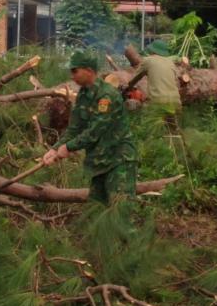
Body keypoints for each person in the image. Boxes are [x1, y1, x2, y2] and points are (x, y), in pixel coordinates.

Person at [42, 50, 137, 204]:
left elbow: (95, 131)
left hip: (118, 161)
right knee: (96, 210)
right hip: (99, 163)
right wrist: (55, 148)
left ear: (89, 70)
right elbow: (74, 129)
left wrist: (68, 147)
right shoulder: (83, 95)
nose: (71, 76)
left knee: (119, 209)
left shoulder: (106, 96)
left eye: (75, 71)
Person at [127, 40, 182, 127]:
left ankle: (147, 131)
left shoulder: (148, 60)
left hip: (158, 102)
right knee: (171, 125)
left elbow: (135, 78)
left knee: (148, 122)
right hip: (176, 102)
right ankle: (174, 131)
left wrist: (129, 86)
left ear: (153, 51)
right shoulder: (170, 62)